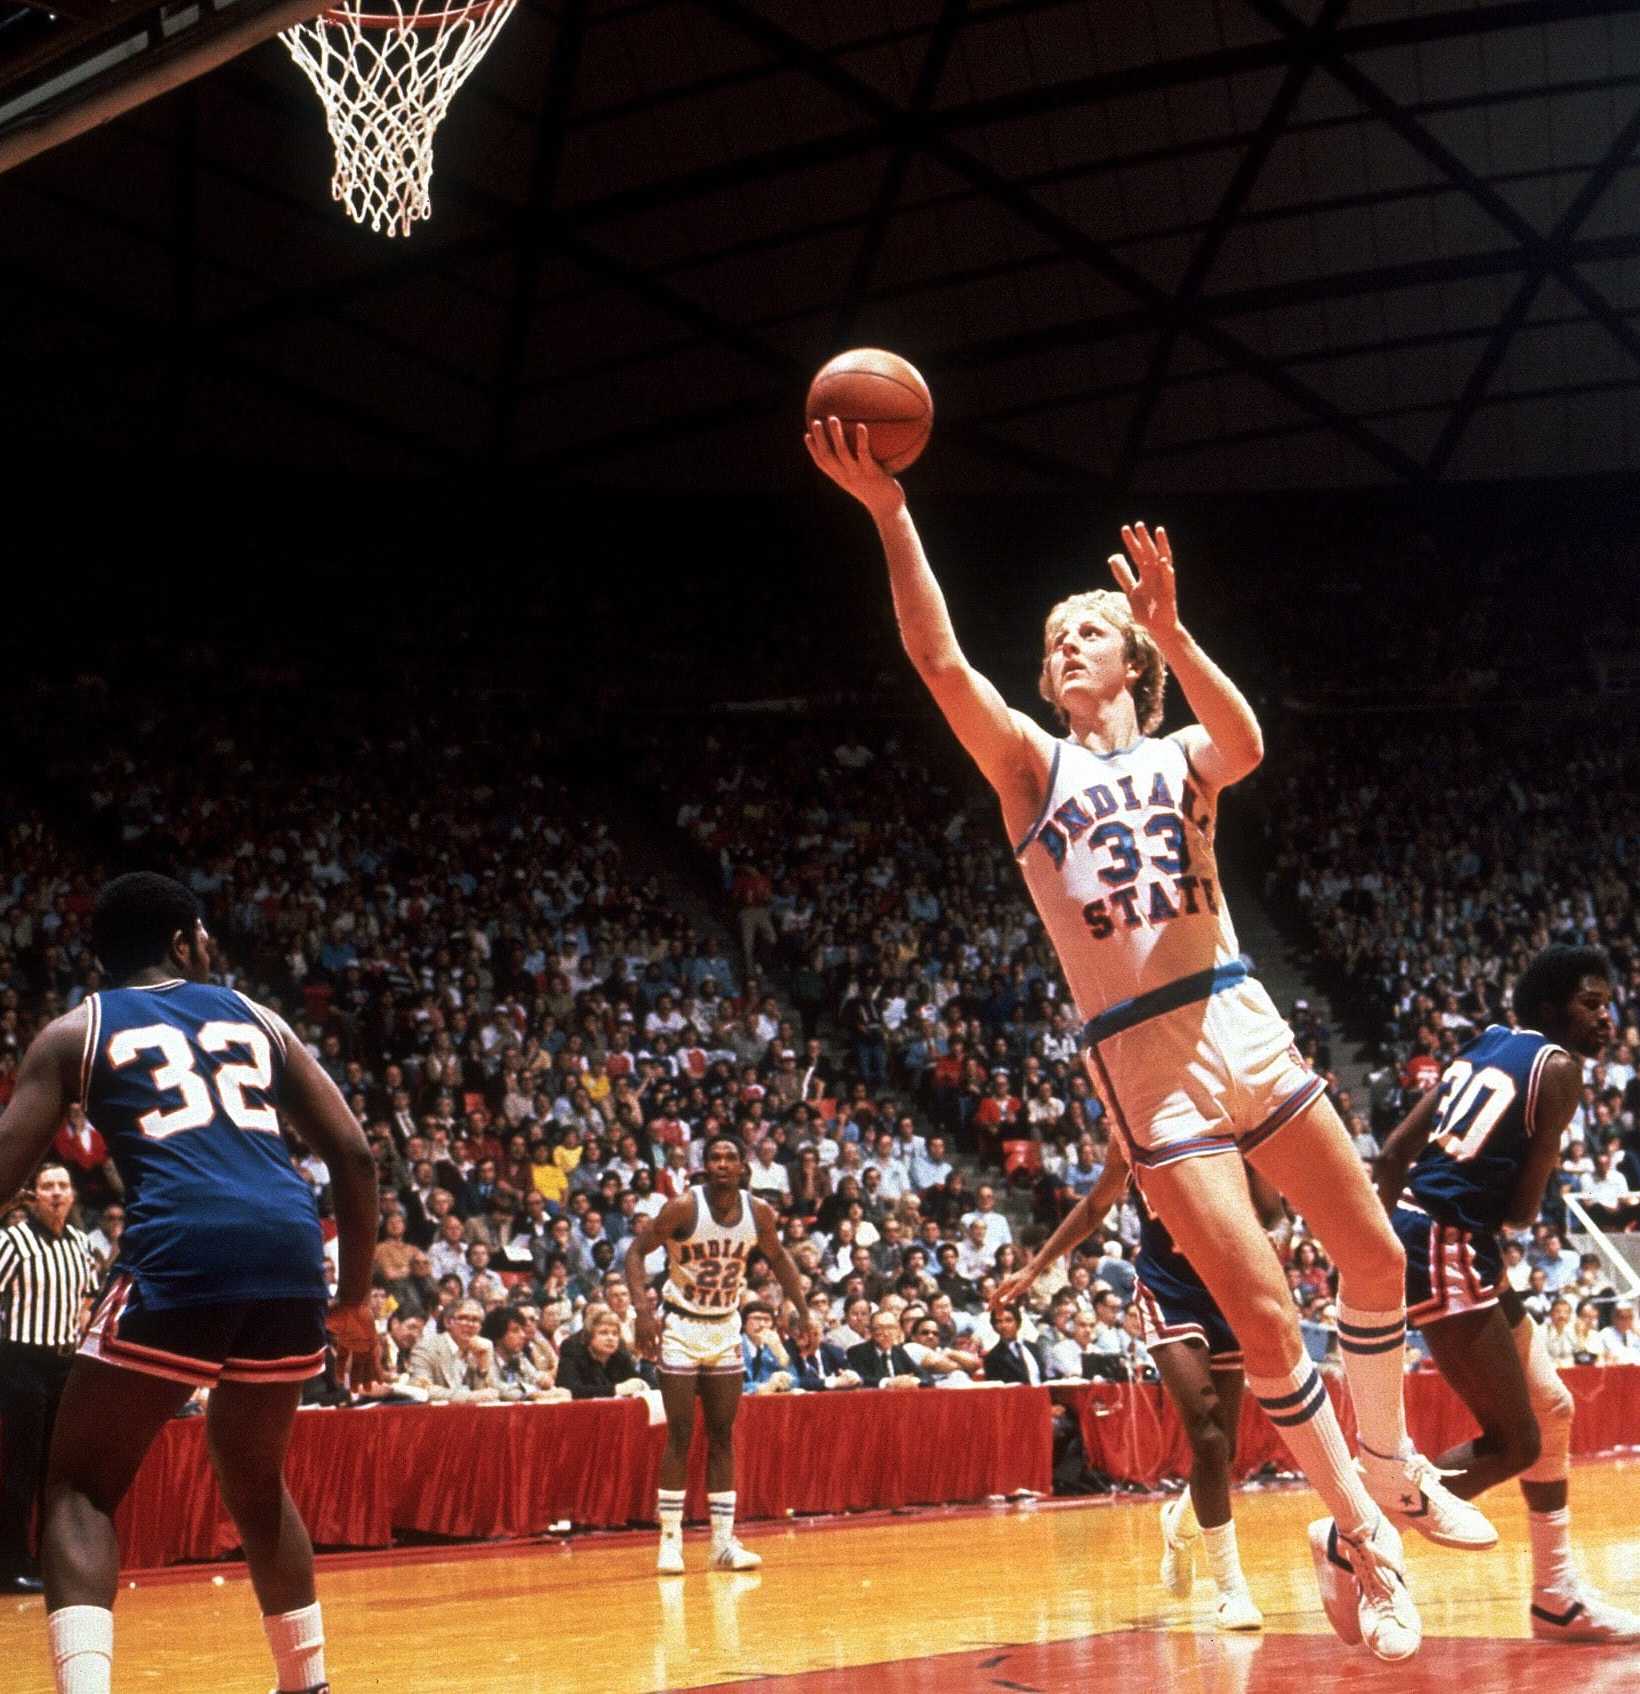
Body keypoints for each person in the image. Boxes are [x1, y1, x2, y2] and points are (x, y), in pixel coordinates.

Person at [810, 415, 1493, 1664]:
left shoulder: (1184, 747)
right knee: (1271, 1318)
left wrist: (1177, 625)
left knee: (1380, 1260)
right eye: (1054, 636)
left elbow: (1247, 744)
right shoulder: (1029, 768)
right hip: (1141, 1056)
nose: (1062, 646)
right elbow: (938, 656)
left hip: (1240, 1011)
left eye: (1086, 632)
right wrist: (890, 512)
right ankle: (1369, 1545)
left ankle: (1388, 1473)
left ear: (1129, 658)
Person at [0, 872, 377, 1694]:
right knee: (257, 1479)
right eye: (204, 935)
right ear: (183, 941)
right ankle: (307, 1686)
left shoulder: (77, 1030)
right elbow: (354, 1157)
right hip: (290, 1250)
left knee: (79, 1488)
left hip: (183, 1246)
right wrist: (353, 1302)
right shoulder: (260, 1018)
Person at [1370, 945, 1640, 1644]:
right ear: (1554, 1008)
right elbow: (1525, 1212)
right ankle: (1357, 1530)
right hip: (1448, 1239)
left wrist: (1374, 1248)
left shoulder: (1489, 1042)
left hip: (1429, 1231)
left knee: (1552, 1407)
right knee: (1516, 1441)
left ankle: (1556, 1600)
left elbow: (1392, 1154)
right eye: (1593, 1004)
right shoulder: (1559, 1070)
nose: (1607, 1018)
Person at [1002, 1123, 1277, 1631]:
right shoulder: (1131, 1128)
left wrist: (1250, 1149)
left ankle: (1180, 1523)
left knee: (1224, 1450)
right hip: (1168, 1292)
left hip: (1228, 1289)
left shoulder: (1229, 1118)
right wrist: (1036, 1267)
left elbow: (1273, 1214)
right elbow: (1093, 1207)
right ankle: (1232, 1589)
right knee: (1209, 1436)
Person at [625, 1133, 810, 1575]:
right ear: (704, 1165)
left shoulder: (759, 1211)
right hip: (682, 1325)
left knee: (723, 1433)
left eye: (731, 1157)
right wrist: (642, 1311)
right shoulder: (683, 1207)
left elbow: (780, 1258)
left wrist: (801, 1309)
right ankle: (670, 1541)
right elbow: (635, 1253)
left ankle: (723, 1544)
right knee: (681, 1433)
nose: (723, 1163)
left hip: (726, 1325)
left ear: (743, 1166)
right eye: (715, 1157)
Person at [0, 1162, 97, 1593]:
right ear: (33, 1194)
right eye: (46, 1186)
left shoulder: (80, 1244)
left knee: (57, 1471)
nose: (55, 1193)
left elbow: (87, 1301)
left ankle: (47, 1561)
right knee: (22, 1466)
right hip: (22, 1361)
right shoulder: (12, 1241)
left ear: (73, 1194)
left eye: (62, 1185)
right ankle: (6, 1568)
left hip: (64, 1363)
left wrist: (81, 1330)